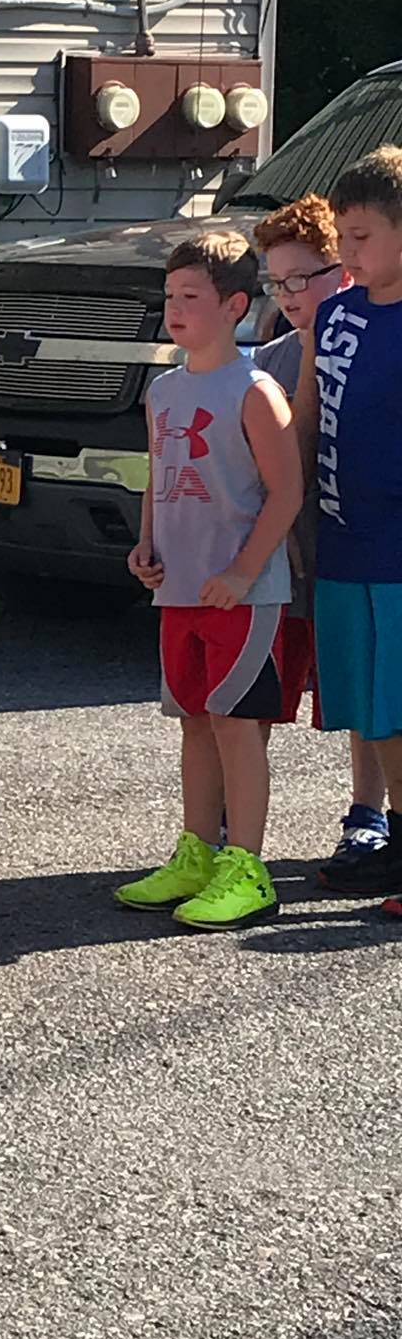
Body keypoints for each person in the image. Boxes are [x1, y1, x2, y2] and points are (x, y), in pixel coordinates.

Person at [117, 229, 303, 928]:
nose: (176, 308)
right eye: (170, 296)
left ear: (233, 305)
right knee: (195, 721)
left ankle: (246, 867)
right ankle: (196, 854)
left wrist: (244, 570)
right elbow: (158, 482)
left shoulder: (255, 390)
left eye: (191, 296)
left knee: (237, 724)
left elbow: (286, 493)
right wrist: (145, 546)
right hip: (180, 589)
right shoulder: (163, 391)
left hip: (243, 595)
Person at [251, 196, 390, 882]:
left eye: (305, 277)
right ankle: (229, 825)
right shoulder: (267, 364)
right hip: (299, 552)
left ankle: (370, 813)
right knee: (308, 684)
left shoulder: (370, 330)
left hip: (371, 545)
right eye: (278, 283)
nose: (290, 295)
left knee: (374, 692)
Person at [295, 146, 402, 914]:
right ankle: (386, 833)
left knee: (398, 705)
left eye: (361, 236)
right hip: (340, 539)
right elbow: (307, 412)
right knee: (363, 703)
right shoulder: (335, 312)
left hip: (399, 551)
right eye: (342, 236)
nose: (347, 253)